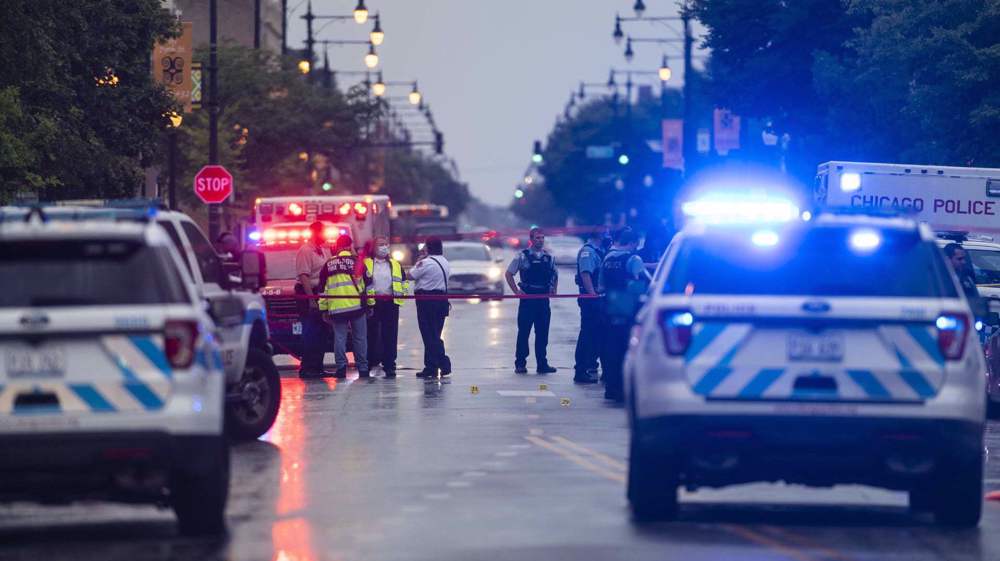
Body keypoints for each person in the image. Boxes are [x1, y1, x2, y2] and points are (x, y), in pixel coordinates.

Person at [599, 228, 649, 401]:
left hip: (608, 307)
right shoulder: (633, 259)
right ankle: (623, 388)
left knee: (611, 347)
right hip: (627, 308)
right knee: (626, 349)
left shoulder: (608, 259)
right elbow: (645, 283)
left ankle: (611, 387)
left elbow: (601, 285)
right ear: (633, 243)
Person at [505, 227, 558, 375]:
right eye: (537, 238)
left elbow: (554, 274)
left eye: (542, 238)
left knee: (542, 333)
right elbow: (509, 274)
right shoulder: (522, 256)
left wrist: (554, 288)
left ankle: (542, 364)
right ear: (531, 239)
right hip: (528, 299)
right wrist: (516, 291)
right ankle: (520, 363)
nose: (540, 240)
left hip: (543, 299)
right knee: (524, 333)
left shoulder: (549, 258)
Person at [319, 234, 369, 379]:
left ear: (338, 247)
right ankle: (363, 368)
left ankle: (341, 368)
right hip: (356, 307)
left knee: (339, 338)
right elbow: (367, 284)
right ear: (349, 246)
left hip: (337, 308)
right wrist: (370, 305)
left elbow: (322, 289)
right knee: (359, 338)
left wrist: (323, 309)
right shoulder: (357, 262)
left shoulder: (328, 264)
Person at [363, 236, 408, 378]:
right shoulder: (367, 264)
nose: (384, 247)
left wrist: (401, 295)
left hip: (390, 303)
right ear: (374, 248)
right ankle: (371, 362)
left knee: (390, 334)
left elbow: (404, 281)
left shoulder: (395, 264)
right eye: (380, 244)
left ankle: (389, 365)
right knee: (372, 334)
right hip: (373, 303)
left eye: (386, 244)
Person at [409, 237, 452, 378]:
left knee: (429, 335)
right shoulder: (444, 261)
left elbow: (410, 275)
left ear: (428, 248)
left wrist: (420, 258)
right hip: (441, 301)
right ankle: (431, 366)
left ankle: (444, 363)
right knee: (435, 333)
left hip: (427, 301)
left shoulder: (426, 263)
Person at [294, 222, 332, 378]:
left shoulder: (323, 250)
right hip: (308, 293)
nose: (325, 236)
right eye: (323, 233)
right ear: (315, 233)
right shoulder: (305, 251)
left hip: (321, 293)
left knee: (322, 331)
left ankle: (318, 367)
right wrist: (311, 299)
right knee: (310, 332)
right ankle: (307, 368)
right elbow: (304, 276)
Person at [573, 230, 605, 384]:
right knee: (587, 335)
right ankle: (580, 369)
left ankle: (590, 366)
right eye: (605, 234)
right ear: (598, 236)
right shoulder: (588, 252)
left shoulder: (598, 251)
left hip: (595, 299)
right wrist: (592, 294)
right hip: (589, 299)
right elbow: (586, 274)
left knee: (595, 335)